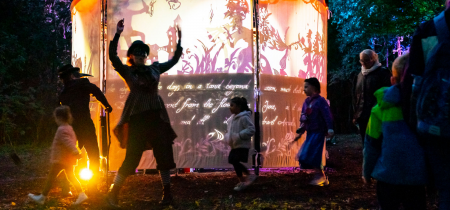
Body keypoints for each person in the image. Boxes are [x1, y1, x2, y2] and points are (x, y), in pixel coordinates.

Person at [106, 18, 182, 207]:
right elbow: (113, 57)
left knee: (163, 155)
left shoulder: (155, 68)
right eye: (137, 53)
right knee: (131, 158)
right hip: (138, 119)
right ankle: (113, 193)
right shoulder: (128, 71)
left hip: (156, 118)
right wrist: (117, 34)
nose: (141, 56)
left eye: (143, 53)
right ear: (131, 56)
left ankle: (167, 194)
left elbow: (173, 61)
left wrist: (179, 42)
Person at [401, 2, 450, 209]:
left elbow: (412, 83)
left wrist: (414, 125)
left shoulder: (428, 30)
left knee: (445, 187)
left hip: (434, 127)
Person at [363, 53, 427, 210]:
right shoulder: (426, 108)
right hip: (417, 178)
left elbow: (371, 144)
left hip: (387, 176)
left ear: (393, 79)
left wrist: (367, 171)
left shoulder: (380, 109)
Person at [58, 64, 112, 194]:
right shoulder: (82, 84)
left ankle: (66, 186)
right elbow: (97, 91)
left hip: (72, 127)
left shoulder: (64, 93)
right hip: (84, 125)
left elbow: (60, 109)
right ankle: (92, 187)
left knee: (68, 156)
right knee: (93, 154)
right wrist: (106, 106)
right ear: (72, 75)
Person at [28, 106, 88, 205]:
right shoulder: (69, 128)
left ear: (59, 118)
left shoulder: (61, 129)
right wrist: (74, 152)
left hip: (61, 159)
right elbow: (72, 141)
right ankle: (81, 194)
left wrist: (76, 152)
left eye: (55, 118)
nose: (55, 120)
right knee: (71, 177)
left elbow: (68, 142)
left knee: (51, 177)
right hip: (67, 158)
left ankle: (42, 197)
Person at [292, 77, 334, 186]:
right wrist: (301, 131)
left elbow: (327, 115)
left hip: (319, 132)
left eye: (306, 87)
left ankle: (320, 176)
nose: (304, 89)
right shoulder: (307, 102)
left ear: (314, 87)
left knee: (313, 154)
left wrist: (330, 128)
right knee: (305, 154)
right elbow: (304, 117)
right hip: (310, 132)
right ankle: (320, 176)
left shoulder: (320, 101)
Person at [353, 49, 391, 145]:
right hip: (363, 117)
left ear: (373, 59)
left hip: (377, 116)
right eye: (362, 60)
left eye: (366, 60)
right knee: (365, 143)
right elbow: (356, 96)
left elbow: (387, 94)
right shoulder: (359, 75)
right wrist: (356, 114)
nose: (364, 63)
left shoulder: (383, 73)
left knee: (377, 144)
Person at [225, 97, 256, 191]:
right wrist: (228, 137)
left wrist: (239, 136)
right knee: (233, 161)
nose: (230, 108)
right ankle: (243, 179)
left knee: (234, 160)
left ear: (238, 106)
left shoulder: (244, 118)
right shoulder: (232, 119)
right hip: (235, 144)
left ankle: (247, 177)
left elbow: (251, 129)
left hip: (242, 144)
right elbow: (230, 131)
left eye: (232, 105)